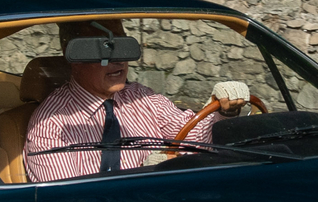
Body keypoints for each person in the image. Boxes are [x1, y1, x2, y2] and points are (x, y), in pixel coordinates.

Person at [24, 23, 244, 181]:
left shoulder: (142, 98)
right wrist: (144, 176)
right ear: (72, 55)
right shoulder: (52, 124)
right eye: (104, 49)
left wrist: (224, 111)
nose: (119, 59)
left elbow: (194, 138)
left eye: (123, 46)